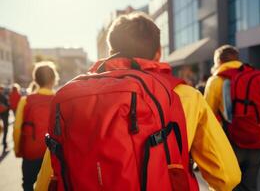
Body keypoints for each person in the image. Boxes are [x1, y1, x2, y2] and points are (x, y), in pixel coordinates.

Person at [35, 12, 241, 191]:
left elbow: (45, 182)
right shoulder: (184, 94)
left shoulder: (76, 98)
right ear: (158, 53)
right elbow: (227, 176)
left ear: (111, 53)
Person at [204, 45, 260, 191]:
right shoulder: (258, 78)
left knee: (224, 187)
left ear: (219, 61)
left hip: (230, 146)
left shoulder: (216, 81)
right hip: (255, 146)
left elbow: (206, 120)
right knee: (249, 187)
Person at [13, 61, 59, 191]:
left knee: (28, 183)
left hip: (30, 150)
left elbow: (17, 128)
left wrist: (17, 149)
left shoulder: (26, 100)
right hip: (52, 154)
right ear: (54, 79)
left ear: (35, 80)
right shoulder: (60, 100)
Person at [0, 85, 9, 151]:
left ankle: (4, 141)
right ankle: (4, 141)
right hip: (4, 114)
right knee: (5, 128)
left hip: (4, 114)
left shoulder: (4, 96)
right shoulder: (4, 96)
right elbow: (8, 105)